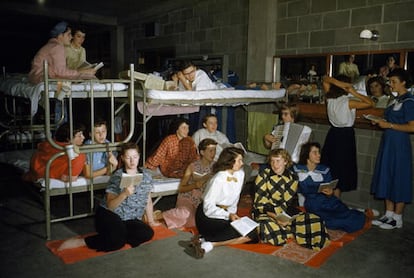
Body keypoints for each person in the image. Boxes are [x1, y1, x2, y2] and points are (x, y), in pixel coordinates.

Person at [58, 142, 158, 252]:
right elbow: (110, 206)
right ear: (123, 158)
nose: (132, 161)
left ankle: (118, 235)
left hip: (129, 219)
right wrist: (124, 194)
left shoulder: (146, 176)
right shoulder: (117, 177)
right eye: (128, 157)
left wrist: (151, 221)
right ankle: (83, 241)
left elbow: (147, 200)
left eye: (135, 157)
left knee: (147, 233)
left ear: (139, 157)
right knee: (116, 242)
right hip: (109, 214)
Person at [253, 148, 329, 250]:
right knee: (267, 226)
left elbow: (288, 203)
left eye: (278, 161)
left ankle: (288, 231)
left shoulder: (293, 177)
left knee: (314, 219)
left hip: (284, 212)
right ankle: (292, 231)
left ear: (285, 161)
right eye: (272, 161)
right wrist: (276, 217)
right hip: (266, 212)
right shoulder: (263, 175)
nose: (275, 165)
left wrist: (287, 218)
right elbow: (260, 204)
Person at [191, 147, 257, 258]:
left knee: (253, 234)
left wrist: (233, 215)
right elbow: (208, 207)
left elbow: (235, 200)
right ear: (230, 162)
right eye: (239, 160)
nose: (242, 163)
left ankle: (209, 243)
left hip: (226, 214)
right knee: (241, 233)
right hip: (207, 216)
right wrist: (228, 215)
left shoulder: (240, 174)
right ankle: (206, 240)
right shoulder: (218, 178)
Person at [369, 68, 414, 230]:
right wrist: (379, 120)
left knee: (399, 177)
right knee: (386, 175)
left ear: (403, 82)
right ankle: (388, 214)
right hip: (388, 143)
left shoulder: (409, 101)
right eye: (390, 81)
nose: (390, 84)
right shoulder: (394, 100)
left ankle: (397, 217)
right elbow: (390, 119)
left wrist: (389, 125)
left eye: (394, 81)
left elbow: (411, 127)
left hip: (400, 144)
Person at [293, 142, 366, 233]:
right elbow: (294, 187)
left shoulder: (324, 169)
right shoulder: (297, 169)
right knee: (330, 222)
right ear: (307, 154)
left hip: (329, 202)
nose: (319, 155)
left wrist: (330, 192)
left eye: (319, 152)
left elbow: (330, 187)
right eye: (315, 152)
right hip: (314, 205)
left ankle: (357, 214)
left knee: (350, 216)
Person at [321, 75, 374, 197]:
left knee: (332, 168)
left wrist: (338, 83)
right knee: (341, 170)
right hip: (345, 136)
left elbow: (325, 79)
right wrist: (353, 92)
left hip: (333, 134)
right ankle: (336, 202)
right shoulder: (348, 102)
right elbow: (370, 103)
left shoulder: (329, 98)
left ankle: (333, 202)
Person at [154, 138, 217, 229]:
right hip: (187, 198)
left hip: (202, 201)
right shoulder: (192, 166)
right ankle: (157, 216)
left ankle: (170, 220)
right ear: (202, 152)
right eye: (210, 151)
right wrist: (195, 185)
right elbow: (182, 188)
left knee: (195, 222)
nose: (213, 153)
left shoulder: (216, 167)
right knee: (185, 214)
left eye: (214, 150)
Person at [28, 21, 96, 85]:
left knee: (85, 77)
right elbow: (61, 72)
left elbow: (58, 71)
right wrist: (83, 72)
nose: (71, 37)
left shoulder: (52, 45)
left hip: (37, 78)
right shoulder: (57, 47)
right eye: (68, 34)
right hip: (42, 79)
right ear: (60, 35)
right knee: (88, 78)